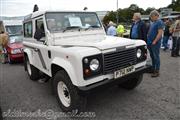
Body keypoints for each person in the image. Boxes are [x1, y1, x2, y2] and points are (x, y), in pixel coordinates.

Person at [147, 10, 164, 77]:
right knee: (152, 56)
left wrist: (155, 41)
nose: (151, 18)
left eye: (152, 16)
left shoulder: (159, 22)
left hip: (155, 43)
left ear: (156, 15)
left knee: (156, 56)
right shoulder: (153, 22)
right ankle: (153, 68)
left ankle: (157, 71)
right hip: (150, 42)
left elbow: (160, 33)